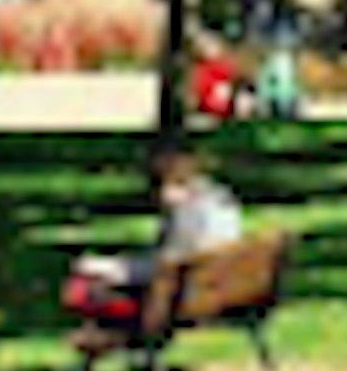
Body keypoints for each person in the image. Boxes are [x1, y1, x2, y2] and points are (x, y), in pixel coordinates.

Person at [64, 144, 244, 359]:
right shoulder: (221, 201)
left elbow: (166, 267)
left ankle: (103, 340)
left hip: (175, 300)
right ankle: (102, 340)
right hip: (211, 292)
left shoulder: (189, 213)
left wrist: (113, 268)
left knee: (84, 287)